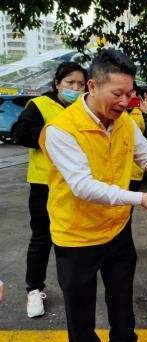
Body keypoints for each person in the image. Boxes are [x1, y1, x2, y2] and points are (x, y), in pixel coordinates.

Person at [39, 49, 147, 342]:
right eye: (117, 93)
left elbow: (146, 153)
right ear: (92, 86)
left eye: (129, 94)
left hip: (116, 231)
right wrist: (140, 200)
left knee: (122, 304)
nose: (124, 101)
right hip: (76, 237)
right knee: (81, 317)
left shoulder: (124, 121)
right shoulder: (61, 130)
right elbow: (83, 186)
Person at [11, 61, 87, 318]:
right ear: (57, 84)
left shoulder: (84, 108)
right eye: (70, 83)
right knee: (42, 237)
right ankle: (34, 289)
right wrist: (53, 137)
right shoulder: (40, 106)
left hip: (77, 184)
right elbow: (19, 133)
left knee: (75, 236)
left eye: (80, 84)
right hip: (44, 184)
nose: (75, 88)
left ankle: (75, 287)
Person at [127, 84, 147, 192]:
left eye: (132, 91)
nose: (129, 95)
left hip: (135, 172)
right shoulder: (114, 110)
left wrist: (146, 114)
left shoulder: (140, 111)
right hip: (117, 170)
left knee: (129, 206)